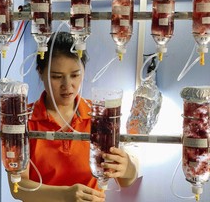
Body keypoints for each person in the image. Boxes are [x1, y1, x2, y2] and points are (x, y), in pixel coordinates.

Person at [8, 31, 138, 202]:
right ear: (40, 73)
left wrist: (128, 168)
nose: (67, 85)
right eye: (56, 77)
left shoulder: (99, 118)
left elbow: (126, 180)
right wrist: (64, 195)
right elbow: (18, 187)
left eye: (75, 75)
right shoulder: (22, 121)